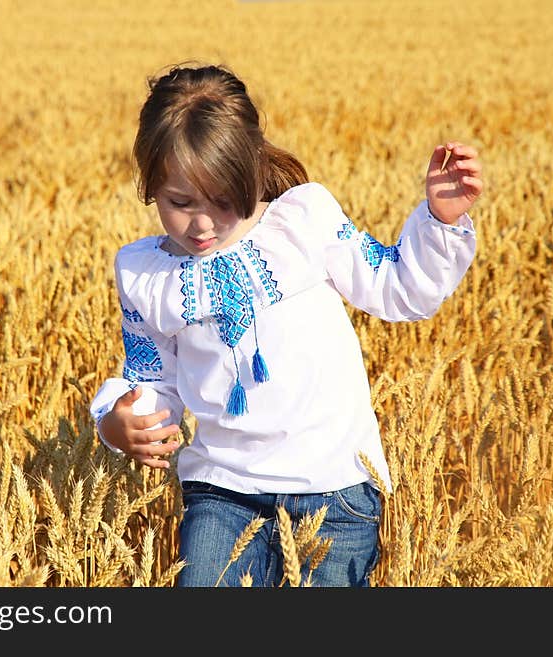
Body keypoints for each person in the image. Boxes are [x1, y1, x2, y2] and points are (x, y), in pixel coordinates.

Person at [89, 62, 482, 587]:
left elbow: (398, 288)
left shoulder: (303, 221)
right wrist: (118, 423)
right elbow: (153, 378)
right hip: (222, 491)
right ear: (149, 186)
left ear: (251, 169)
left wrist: (440, 220)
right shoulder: (144, 273)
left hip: (334, 488)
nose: (202, 224)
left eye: (223, 201)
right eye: (179, 203)